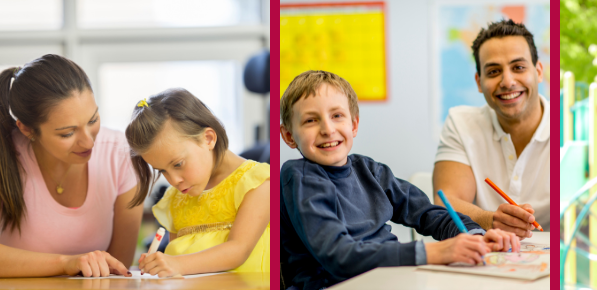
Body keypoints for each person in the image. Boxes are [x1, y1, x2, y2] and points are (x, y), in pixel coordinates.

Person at [279, 70, 520, 290]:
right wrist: (434, 252)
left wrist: (476, 235)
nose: (327, 129)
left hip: (389, 280)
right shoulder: (299, 177)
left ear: (354, 125)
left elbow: (427, 213)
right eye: (310, 120)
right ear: (289, 136)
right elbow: (339, 256)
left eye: (337, 116)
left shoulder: (369, 170)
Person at [0, 54, 138, 277]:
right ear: (27, 129)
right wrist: (65, 263)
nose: (89, 142)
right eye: (67, 133)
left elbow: (118, 268)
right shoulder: (5, 155)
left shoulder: (118, 153)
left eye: (93, 120)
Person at [122, 88, 270, 277]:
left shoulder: (258, 182)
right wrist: (161, 264)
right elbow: (177, 257)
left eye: (178, 164)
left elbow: (238, 250)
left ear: (208, 139)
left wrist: (176, 264)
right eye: (162, 171)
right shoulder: (176, 198)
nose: (173, 180)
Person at [434, 19, 550, 238]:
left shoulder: (568, 128)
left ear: (539, 72)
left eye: (518, 68)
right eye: (494, 71)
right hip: (486, 250)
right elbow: (446, 202)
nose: (507, 81)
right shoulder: (460, 123)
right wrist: (489, 220)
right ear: (479, 82)